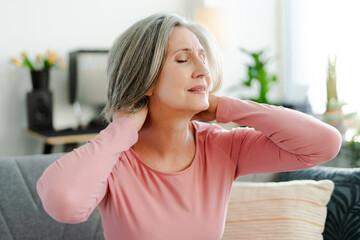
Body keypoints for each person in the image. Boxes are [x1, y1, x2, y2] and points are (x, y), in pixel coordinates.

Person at [37, 13, 342, 240]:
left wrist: (229, 108)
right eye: (183, 60)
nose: (202, 70)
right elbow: (65, 205)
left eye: (202, 57)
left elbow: (324, 144)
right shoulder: (113, 159)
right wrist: (121, 130)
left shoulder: (221, 147)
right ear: (146, 80)